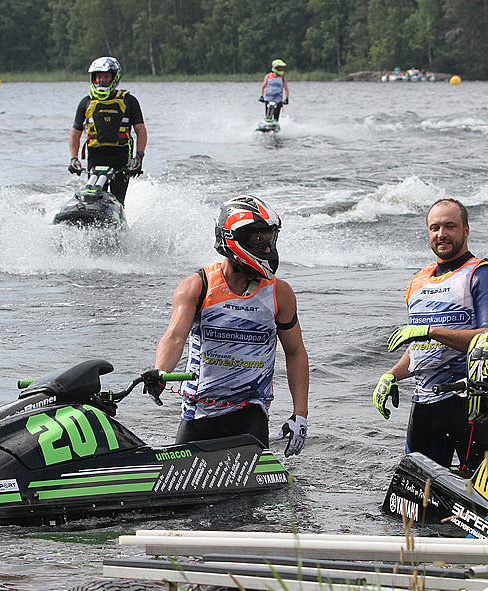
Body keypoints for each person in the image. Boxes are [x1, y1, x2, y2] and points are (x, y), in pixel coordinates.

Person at [149, 195, 309, 458]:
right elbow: (175, 336)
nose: (267, 249)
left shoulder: (280, 293)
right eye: (258, 239)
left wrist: (300, 414)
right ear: (232, 239)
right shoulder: (197, 286)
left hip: (251, 413)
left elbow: (296, 353)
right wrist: (160, 372)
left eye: (270, 238)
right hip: (199, 412)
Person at [372, 198, 488, 473]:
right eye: (434, 228)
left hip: (472, 404)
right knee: (418, 500)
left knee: (486, 501)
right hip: (424, 406)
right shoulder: (417, 281)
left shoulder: (482, 275)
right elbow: (420, 348)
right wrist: (392, 375)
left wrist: (431, 330)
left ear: (466, 230)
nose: (441, 234)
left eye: (450, 226)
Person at [68, 56, 147, 204]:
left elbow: (141, 131)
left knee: (117, 199)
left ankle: (118, 222)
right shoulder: (86, 102)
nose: (102, 80)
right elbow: (75, 133)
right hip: (96, 156)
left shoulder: (129, 101)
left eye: (106, 76)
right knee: (95, 196)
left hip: (122, 157)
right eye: (99, 77)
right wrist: (74, 159)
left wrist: (139, 157)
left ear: (114, 78)